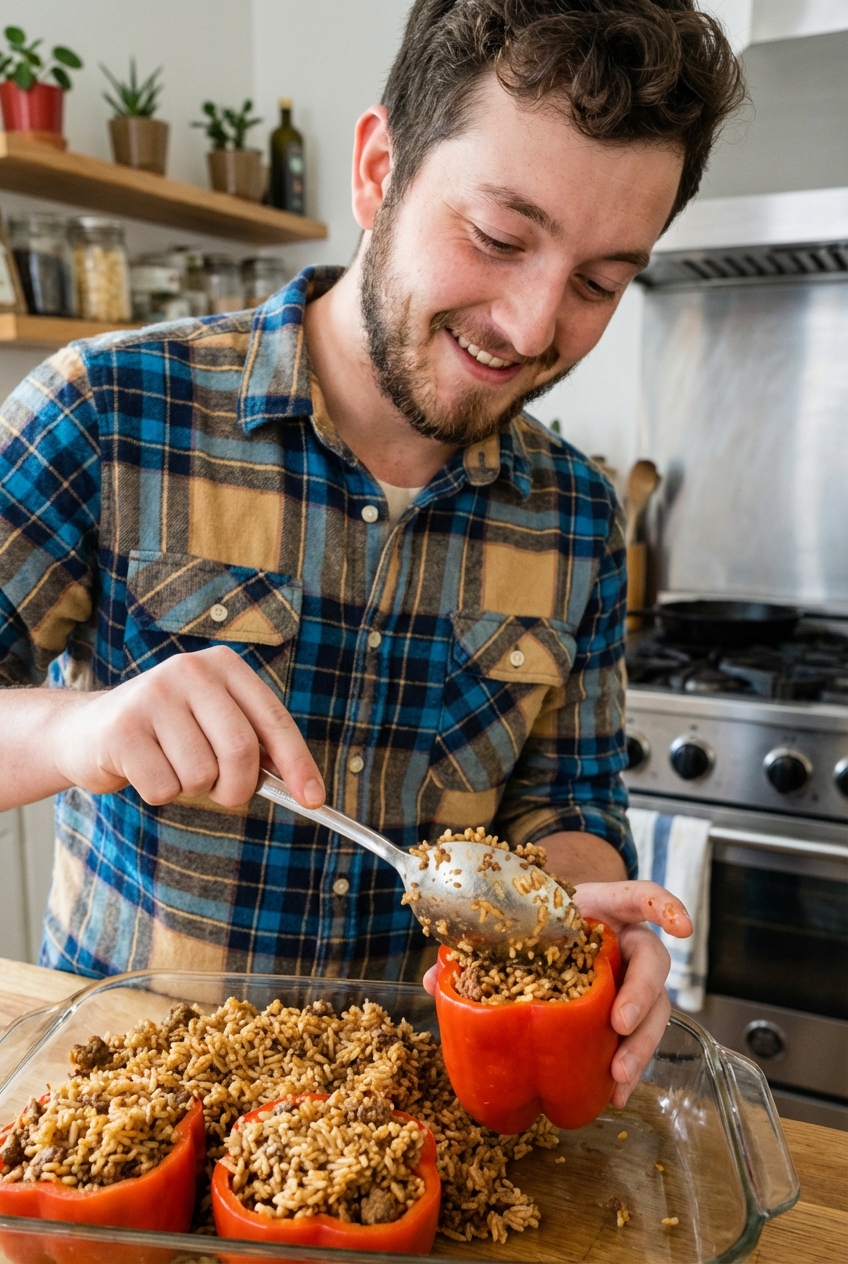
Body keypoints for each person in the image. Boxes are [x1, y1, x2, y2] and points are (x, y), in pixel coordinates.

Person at [0, 0, 742, 1107]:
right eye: (497, 237)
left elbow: (568, 805)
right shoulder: (106, 410)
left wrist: (573, 912)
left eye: (598, 281)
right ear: (376, 167)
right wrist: (81, 727)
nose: (534, 328)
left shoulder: (579, 514)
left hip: (408, 1136)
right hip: (132, 1117)